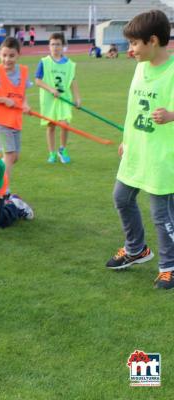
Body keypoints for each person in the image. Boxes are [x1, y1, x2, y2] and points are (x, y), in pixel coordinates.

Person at [106, 10, 174, 290]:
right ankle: (136, 250)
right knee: (122, 198)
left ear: (153, 40)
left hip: (161, 156)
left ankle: (169, 266)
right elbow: (133, 108)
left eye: (135, 43)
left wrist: (171, 115)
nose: (131, 50)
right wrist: (126, 139)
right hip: (136, 150)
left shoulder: (172, 71)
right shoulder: (139, 68)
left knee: (162, 215)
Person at [0, 37, 32, 189]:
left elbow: (22, 94)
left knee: (14, 157)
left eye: (11, 56)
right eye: (4, 55)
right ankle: (3, 190)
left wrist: (26, 105)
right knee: (9, 155)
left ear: (18, 55)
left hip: (15, 122)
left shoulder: (23, 71)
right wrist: (3, 100)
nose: (7, 59)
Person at [35, 32, 81, 164]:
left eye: (58, 44)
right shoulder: (44, 62)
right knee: (51, 126)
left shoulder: (69, 64)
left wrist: (77, 98)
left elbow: (73, 81)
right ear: (49, 46)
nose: (55, 47)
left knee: (65, 124)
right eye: (52, 44)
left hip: (64, 98)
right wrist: (51, 89)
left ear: (63, 46)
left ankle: (62, 149)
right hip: (49, 100)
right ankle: (52, 153)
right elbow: (37, 80)